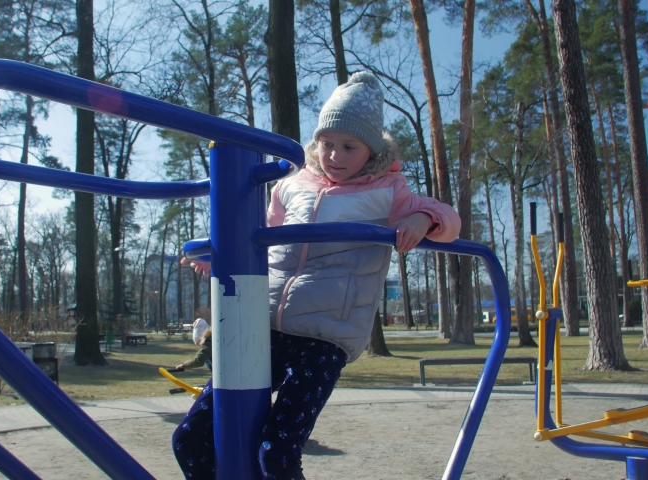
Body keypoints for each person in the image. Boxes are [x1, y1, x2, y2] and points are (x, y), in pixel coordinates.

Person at [173, 72, 460, 479]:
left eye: (349, 146)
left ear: (371, 151)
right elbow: (259, 239)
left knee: (277, 453)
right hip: (261, 328)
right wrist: (222, 259)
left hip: (323, 339)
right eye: (327, 143)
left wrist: (420, 217)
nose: (335, 155)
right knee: (190, 438)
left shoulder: (387, 190)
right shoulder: (291, 184)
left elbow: (449, 220)